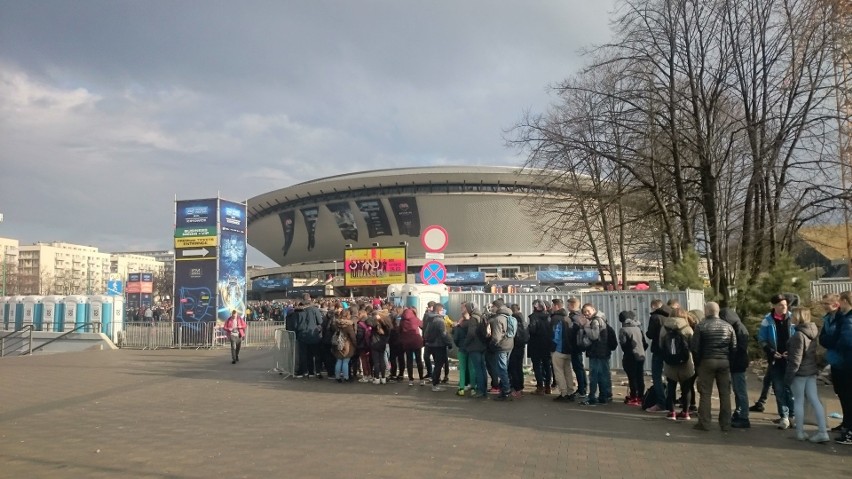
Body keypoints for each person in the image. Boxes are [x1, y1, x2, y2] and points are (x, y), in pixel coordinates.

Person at [785, 307, 830, 443]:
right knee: (815, 400)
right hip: (811, 371)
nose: (791, 317)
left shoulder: (798, 335)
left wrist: (788, 377)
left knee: (798, 401)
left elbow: (796, 359)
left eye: (793, 315)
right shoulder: (813, 332)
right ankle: (822, 431)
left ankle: (800, 432)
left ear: (798, 317)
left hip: (800, 372)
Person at [690, 302, 736, 431]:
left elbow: (695, 348)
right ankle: (726, 424)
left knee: (705, 393)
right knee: (725, 393)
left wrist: (698, 364)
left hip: (707, 361)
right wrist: (729, 361)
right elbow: (734, 347)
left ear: (706, 311)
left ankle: (704, 423)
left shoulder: (701, 326)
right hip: (724, 361)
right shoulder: (728, 326)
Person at [757, 294, 796, 429]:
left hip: (791, 359)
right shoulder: (767, 320)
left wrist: (791, 351)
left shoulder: (793, 318)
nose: (784, 307)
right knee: (778, 388)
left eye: (785, 305)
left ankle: (793, 415)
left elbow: (798, 337)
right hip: (775, 359)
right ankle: (784, 416)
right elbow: (762, 339)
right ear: (773, 306)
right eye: (780, 305)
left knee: (790, 389)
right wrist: (772, 352)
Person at [820, 291, 852, 445]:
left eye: (827, 303)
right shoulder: (828, 319)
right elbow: (823, 338)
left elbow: (843, 340)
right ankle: (846, 423)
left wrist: (832, 341)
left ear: (838, 303)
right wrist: (831, 341)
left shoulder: (844, 318)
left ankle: (849, 427)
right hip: (836, 360)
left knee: (847, 395)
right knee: (841, 393)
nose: (824, 306)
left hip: (844, 362)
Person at [661, 308, 695, 420]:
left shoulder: (664, 328)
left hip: (670, 362)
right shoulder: (687, 328)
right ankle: (685, 412)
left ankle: (672, 412)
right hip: (685, 362)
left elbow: (661, 345)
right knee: (686, 388)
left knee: (671, 387)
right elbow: (693, 345)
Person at [720, 307, 751, 428]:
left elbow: (739, 349)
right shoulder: (738, 327)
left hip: (738, 364)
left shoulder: (739, 330)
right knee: (738, 390)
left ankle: (744, 416)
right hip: (738, 363)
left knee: (740, 391)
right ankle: (740, 412)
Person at [580, 303, 612, 406]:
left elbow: (594, 335)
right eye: (585, 312)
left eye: (588, 311)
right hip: (603, 352)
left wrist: (585, 326)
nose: (586, 314)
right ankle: (605, 396)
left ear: (593, 309)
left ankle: (592, 397)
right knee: (604, 374)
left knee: (594, 376)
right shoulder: (602, 319)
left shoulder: (595, 321)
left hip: (597, 352)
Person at [645, 299, 670, 412]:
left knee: (657, 376)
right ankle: (670, 402)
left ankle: (661, 403)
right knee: (671, 377)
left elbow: (650, 334)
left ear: (654, 306)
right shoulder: (671, 315)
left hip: (658, 349)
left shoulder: (655, 317)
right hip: (670, 350)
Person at [487, 299, 514, 401]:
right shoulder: (509, 316)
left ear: (497, 307)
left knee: (502, 370)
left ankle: (506, 391)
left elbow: (496, 337)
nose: (492, 308)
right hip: (509, 345)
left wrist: (491, 345)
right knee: (505, 368)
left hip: (501, 347)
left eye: (493, 306)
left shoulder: (498, 319)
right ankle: (505, 388)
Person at [618, 310, 647, 406]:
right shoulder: (638, 328)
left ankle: (634, 396)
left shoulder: (623, 330)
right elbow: (645, 343)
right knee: (640, 377)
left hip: (630, 356)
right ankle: (641, 397)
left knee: (632, 377)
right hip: (640, 355)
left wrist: (627, 352)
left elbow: (624, 345)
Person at [550, 298, 576, 402]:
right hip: (569, 350)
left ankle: (563, 393)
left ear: (556, 306)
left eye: (553, 306)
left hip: (559, 349)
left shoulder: (556, 319)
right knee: (568, 371)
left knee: (559, 372)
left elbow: (555, 336)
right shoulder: (569, 318)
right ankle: (570, 391)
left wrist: (552, 348)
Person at [527, 299, 553, 395]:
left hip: (536, 345)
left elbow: (532, 330)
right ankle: (548, 387)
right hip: (547, 344)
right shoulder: (549, 317)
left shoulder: (534, 317)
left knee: (537, 366)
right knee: (547, 365)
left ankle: (540, 387)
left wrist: (528, 328)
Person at [424, 303, 452, 392]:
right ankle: (435, 384)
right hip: (439, 345)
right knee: (438, 365)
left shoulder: (429, 319)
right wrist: (449, 343)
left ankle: (435, 382)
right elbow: (444, 334)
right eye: (442, 310)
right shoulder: (440, 321)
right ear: (439, 310)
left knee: (436, 365)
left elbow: (425, 332)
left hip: (430, 344)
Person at [463, 302, 488, 399]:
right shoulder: (481, 316)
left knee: (478, 369)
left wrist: (465, 344)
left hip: (475, 347)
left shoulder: (473, 318)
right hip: (482, 346)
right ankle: (484, 390)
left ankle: (480, 390)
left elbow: (471, 334)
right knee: (482, 368)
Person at [398, 306, 426, 386]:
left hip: (407, 343)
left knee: (409, 361)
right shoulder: (415, 319)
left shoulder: (402, 321)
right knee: (418, 360)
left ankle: (411, 380)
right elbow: (423, 327)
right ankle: (421, 379)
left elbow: (399, 331)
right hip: (416, 342)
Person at [568, 297, 589, 398]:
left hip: (575, 346)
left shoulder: (575, 317)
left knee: (578, 367)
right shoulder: (579, 316)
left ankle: (582, 389)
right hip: (577, 345)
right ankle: (583, 387)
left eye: (568, 305)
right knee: (579, 367)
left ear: (572, 305)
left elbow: (573, 332)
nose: (567, 307)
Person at [297, 300, 324, 378]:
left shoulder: (300, 311)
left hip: (302, 335)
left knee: (305, 355)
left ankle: (307, 371)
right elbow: (320, 321)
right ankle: (317, 372)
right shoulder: (315, 310)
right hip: (313, 334)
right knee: (316, 354)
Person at [331, 310, 357, 382]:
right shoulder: (349, 326)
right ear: (348, 315)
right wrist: (355, 345)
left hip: (338, 344)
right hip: (347, 345)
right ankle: (346, 377)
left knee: (339, 360)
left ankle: (337, 377)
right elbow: (353, 337)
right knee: (345, 361)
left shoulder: (336, 323)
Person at [452, 304, 473, 396]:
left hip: (462, 349)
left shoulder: (458, 327)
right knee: (472, 369)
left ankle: (461, 388)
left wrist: (460, 345)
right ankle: (473, 388)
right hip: (471, 349)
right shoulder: (472, 325)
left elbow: (455, 339)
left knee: (462, 369)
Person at [508, 303, 527, 398]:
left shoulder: (514, 319)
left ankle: (517, 389)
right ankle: (520, 388)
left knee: (513, 368)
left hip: (515, 346)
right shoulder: (523, 320)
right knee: (519, 368)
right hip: (521, 346)